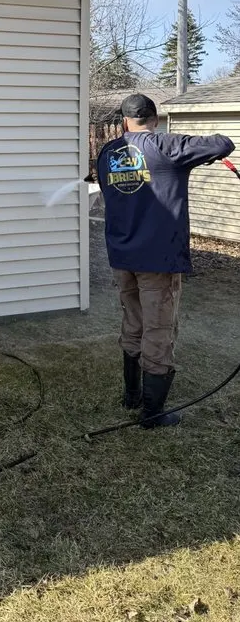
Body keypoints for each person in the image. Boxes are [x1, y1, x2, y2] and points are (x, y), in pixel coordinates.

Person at [96, 93, 235, 428]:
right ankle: (151, 413)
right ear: (154, 120)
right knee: (158, 330)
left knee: (133, 322)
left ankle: (132, 397)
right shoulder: (166, 146)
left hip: (122, 255)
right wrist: (198, 157)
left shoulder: (107, 153)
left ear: (125, 121)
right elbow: (223, 142)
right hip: (157, 258)